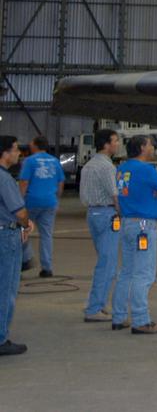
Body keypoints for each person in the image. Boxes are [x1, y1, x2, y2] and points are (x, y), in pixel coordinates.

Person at [113, 135, 157, 334]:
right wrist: (155, 194)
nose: (152, 147)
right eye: (149, 144)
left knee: (127, 271)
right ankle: (140, 320)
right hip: (144, 226)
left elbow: (118, 198)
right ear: (141, 148)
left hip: (127, 222)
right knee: (144, 273)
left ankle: (119, 316)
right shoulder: (146, 169)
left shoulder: (121, 169)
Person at [80, 128, 122, 323]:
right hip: (107, 214)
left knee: (105, 261)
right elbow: (115, 196)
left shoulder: (89, 165)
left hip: (93, 213)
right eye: (115, 141)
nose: (118, 144)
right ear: (106, 144)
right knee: (107, 264)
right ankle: (94, 307)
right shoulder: (107, 167)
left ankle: (98, 302)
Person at [0, 135, 34, 355]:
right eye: (14, 149)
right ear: (4, 153)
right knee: (7, 288)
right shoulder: (4, 179)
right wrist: (25, 223)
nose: (18, 153)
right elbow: (19, 211)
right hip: (6, 236)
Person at [18, 136, 64, 278]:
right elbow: (61, 182)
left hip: (31, 202)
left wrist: (19, 201)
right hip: (49, 202)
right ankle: (47, 268)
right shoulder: (55, 161)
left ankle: (23, 261)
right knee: (46, 235)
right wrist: (56, 198)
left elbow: (24, 182)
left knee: (22, 232)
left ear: (36, 146)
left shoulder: (29, 161)